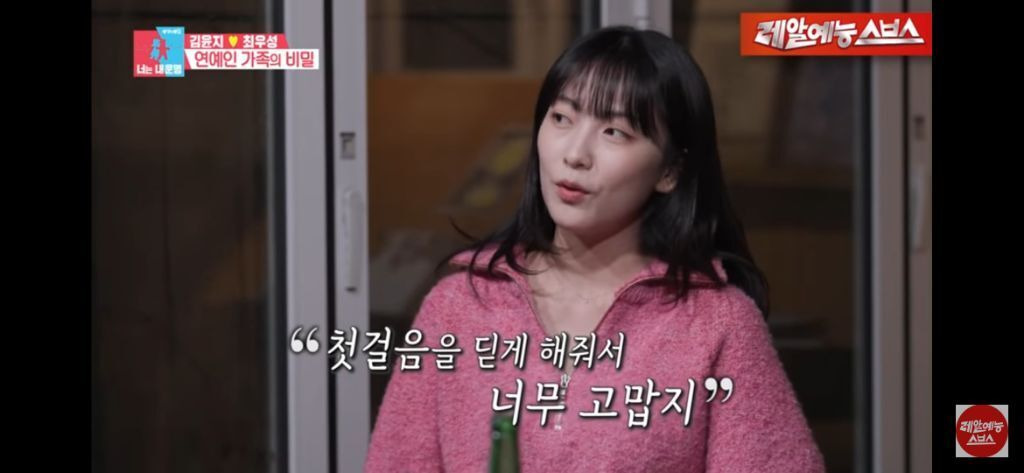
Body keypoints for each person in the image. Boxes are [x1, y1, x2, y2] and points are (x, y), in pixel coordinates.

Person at [364, 25, 825, 472]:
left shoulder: (717, 323)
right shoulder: (458, 308)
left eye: (614, 132)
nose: (575, 154)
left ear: (670, 171)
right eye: (561, 119)